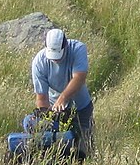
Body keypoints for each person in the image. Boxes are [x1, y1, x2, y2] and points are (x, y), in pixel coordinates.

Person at [31, 28, 94, 157]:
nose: (55, 60)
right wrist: (47, 117)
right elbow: (42, 98)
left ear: (65, 46)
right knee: (56, 146)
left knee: (84, 148)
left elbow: (79, 77)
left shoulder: (78, 49)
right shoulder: (39, 62)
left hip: (81, 107)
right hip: (56, 111)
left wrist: (63, 98)